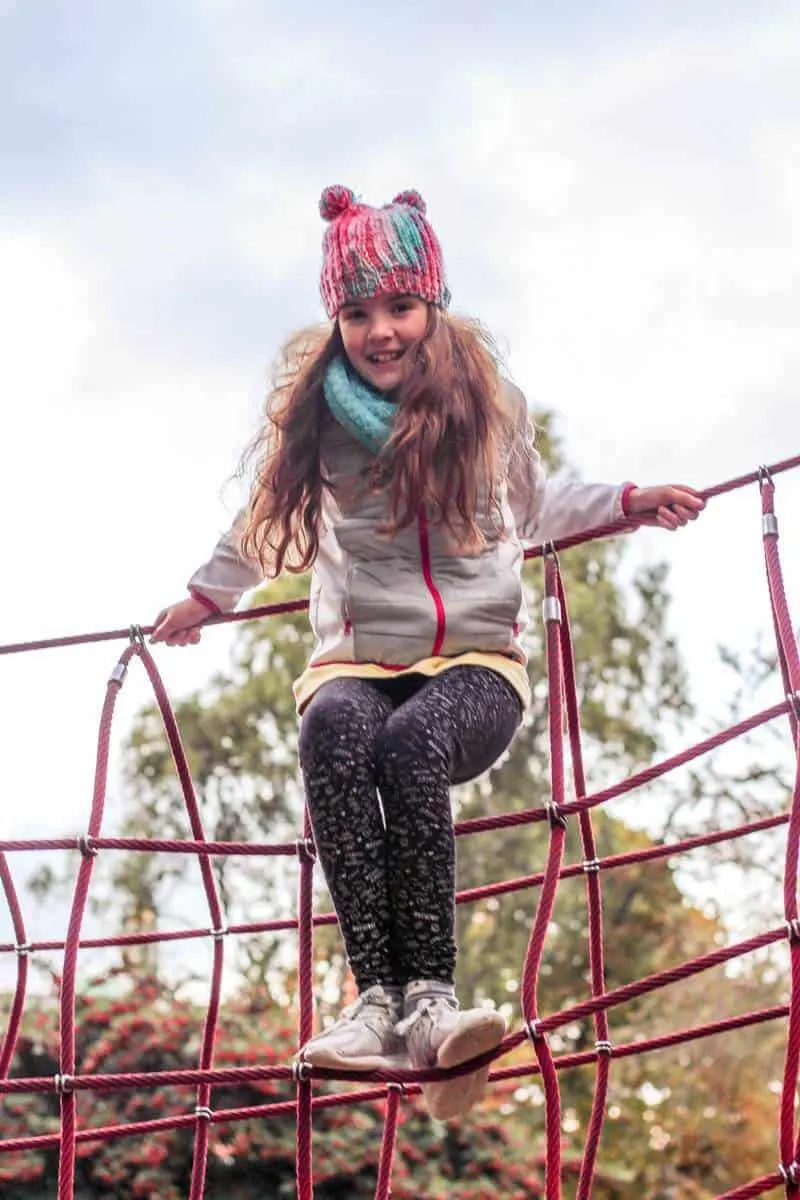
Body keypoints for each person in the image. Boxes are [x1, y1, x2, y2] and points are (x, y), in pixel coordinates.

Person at [151, 185, 705, 1119]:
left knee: (412, 749)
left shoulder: (484, 409)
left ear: (433, 308)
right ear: (337, 321)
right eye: (358, 312)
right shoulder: (318, 426)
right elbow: (261, 528)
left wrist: (628, 500)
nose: (381, 331)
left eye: (400, 306)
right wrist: (207, 596)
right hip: (357, 663)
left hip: (477, 665)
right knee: (331, 728)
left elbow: (537, 505)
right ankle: (380, 1006)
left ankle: (434, 1000)